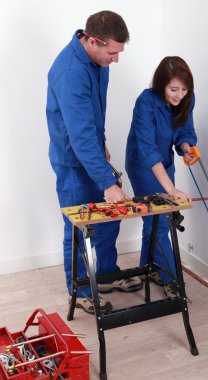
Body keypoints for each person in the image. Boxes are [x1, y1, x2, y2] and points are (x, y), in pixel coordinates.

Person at [46, 10, 142, 315]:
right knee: (77, 228)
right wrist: (107, 183)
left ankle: (106, 275)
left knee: (108, 218)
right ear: (92, 41)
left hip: (90, 152)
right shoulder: (71, 71)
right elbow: (79, 136)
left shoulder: (98, 61)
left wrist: (102, 143)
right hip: (73, 163)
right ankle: (81, 291)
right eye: (112, 53)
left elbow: (94, 112)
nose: (115, 60)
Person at [125, 56, 197, 298]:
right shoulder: (145, 102)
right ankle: (171, 279)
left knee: (155, 221)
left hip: (164, 163)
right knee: (160, 219)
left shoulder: (187, 100)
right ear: (161, 84)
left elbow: (184, 130)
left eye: (184, 90)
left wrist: (186, 148)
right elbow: (147, 149)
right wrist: (171, 189)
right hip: (142, 164)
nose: (179, 95)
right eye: (173, 89)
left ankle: (150, 267)